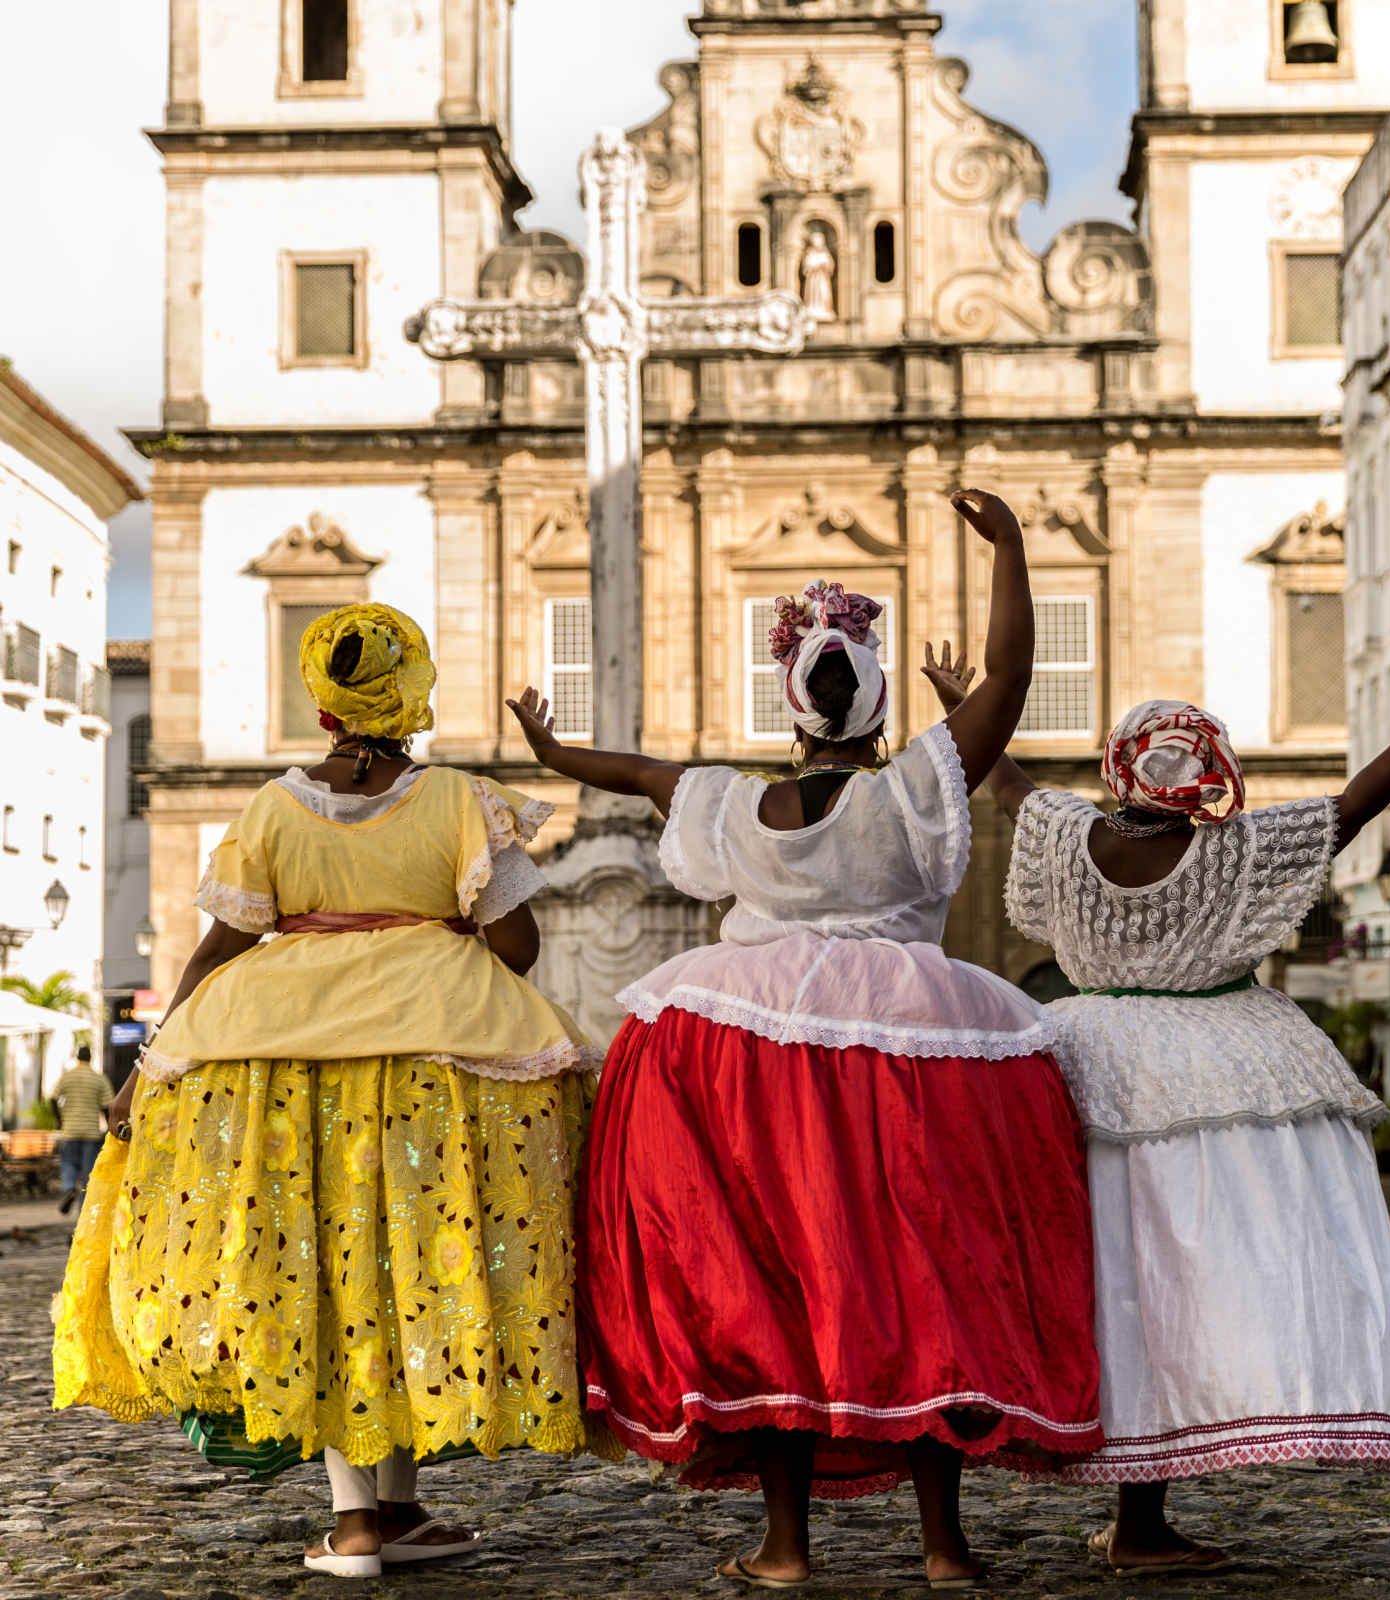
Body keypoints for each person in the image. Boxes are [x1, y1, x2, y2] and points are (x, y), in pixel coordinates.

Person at [509, 489, 1101, 1592]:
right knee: (927, 1277)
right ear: (876, 710)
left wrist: (551, 745)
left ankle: (784, 1546)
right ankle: (943, 1543)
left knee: (773, 1282)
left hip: (744, 1059)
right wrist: (1010, 548)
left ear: (790, 710)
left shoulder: (730, 806)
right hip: (917, 1052)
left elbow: (633, 773)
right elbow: (1010, 684)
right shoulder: (913, 789)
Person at [923, 621, 1390, 1575]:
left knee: (1103, 1281)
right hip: (1221, 1069)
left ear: (1119, 771)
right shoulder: (1242, 854)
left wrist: (960, 705)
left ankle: (1117, 1505)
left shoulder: (1066, 837)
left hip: (1083, 1064)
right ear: (1209, 776)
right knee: (1195, 1279)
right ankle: (1145, 1516)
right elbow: (1358, 800)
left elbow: (1008, 786)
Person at [52, 603, 597, 1580]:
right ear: (412, 688)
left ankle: (375, 1516)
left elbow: (219, 945)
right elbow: (516, 944)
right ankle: (378, 1515)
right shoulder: (462, 800)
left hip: (280, 1059)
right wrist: (431, 929)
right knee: (403, 1273)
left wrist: (151, 1056)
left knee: (326, 1272)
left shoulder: (272, 805)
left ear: (325, 702)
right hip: (437, 1060)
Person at [52, 1045, 113, 1215]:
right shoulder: (99, 1078)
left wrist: (59, 1120)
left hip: (70, 1130)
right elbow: (108, 1105)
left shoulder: (67, 1076)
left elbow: (52, 1098)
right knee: (88, 1174)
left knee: (68, 1164)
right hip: (91, 1133)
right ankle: (83, 1212)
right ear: (90, 1058)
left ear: (78, 1057)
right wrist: (109, 1126)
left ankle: (70, 1188)